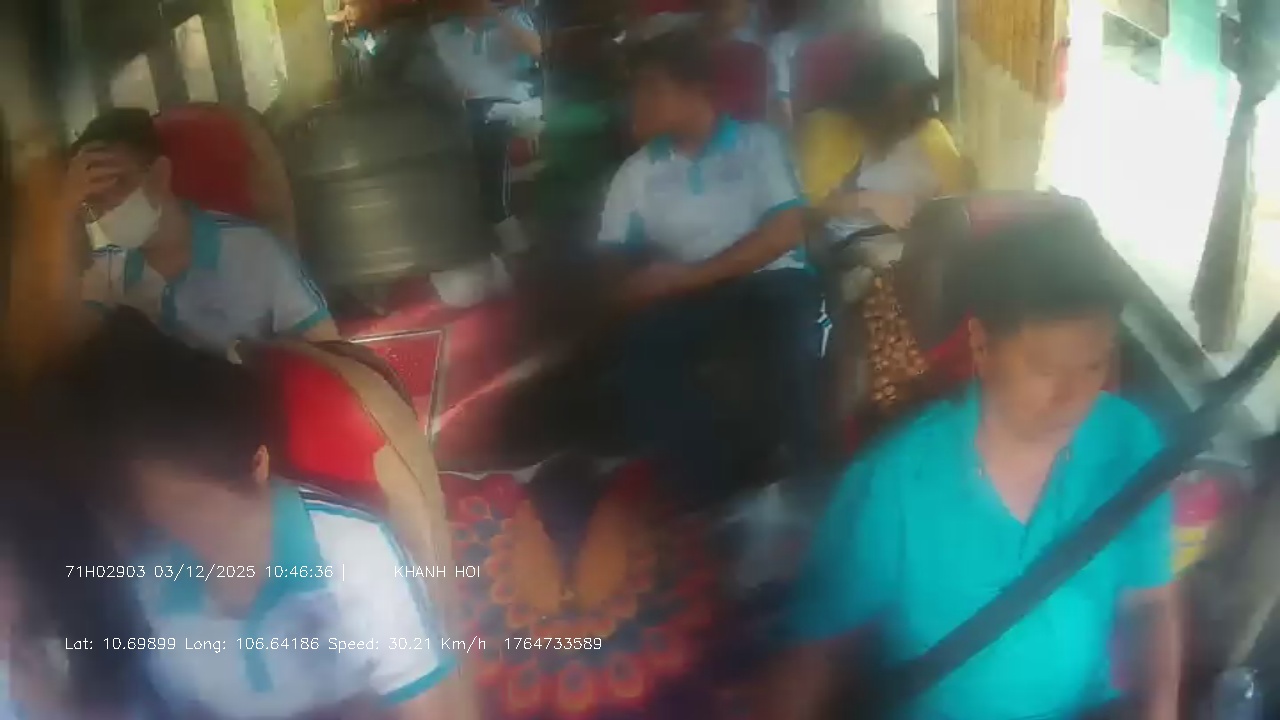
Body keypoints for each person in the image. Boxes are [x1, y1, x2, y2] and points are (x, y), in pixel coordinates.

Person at [765, 215, 1181, 720]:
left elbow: (1150, 601)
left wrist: (1160, 709)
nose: (1073, 397)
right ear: (982, 345)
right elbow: (816, 653)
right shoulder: (895, 483)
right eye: (1045, 369)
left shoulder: (1129, 441)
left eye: (1094, 364)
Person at [63, 308, 454, 720]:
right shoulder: (151, 573)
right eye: (155, 511)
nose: (178, 530)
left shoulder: (351, 552)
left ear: (257, 465)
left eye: (194, 506)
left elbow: (428, 709)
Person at [600, 30, 818, 510]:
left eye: (651, 88)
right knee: (644, 354)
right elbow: (611, 259)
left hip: (770, 278)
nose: (637, 102)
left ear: (696, 91)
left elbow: (785, 231)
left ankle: (811, 491)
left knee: (786, 345)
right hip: (690, 294)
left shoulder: (757, 144)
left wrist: (683, 278)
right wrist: (631, 287)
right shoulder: (637, 172)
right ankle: (713, 503)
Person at [61, 108, 340, 354]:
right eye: (92, 199)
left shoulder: (253, 251)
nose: (107, 206)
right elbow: (63, 354)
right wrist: (63, 210)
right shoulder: (105, 271)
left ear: (159, 175)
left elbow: (329, 353)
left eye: (118, 182)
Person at [799, 32, 966, 254]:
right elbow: (804, 211)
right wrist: (867, 200)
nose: (901, 109)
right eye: (892, 101)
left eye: (910, 98)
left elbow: (958, 200)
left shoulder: (931, 132)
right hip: (850, 246)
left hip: (921, 244)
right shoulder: (831, 128)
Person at [431, 0, 542, 231]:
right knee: (478, 124)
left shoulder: (512, 18)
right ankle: (498, 216)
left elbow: (536, 49)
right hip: (473, 107)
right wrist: (453, 92)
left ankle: (499, 215)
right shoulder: (442, 31)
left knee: (489, 126)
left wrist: (498, 18)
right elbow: (441, 78)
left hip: (517, 101)